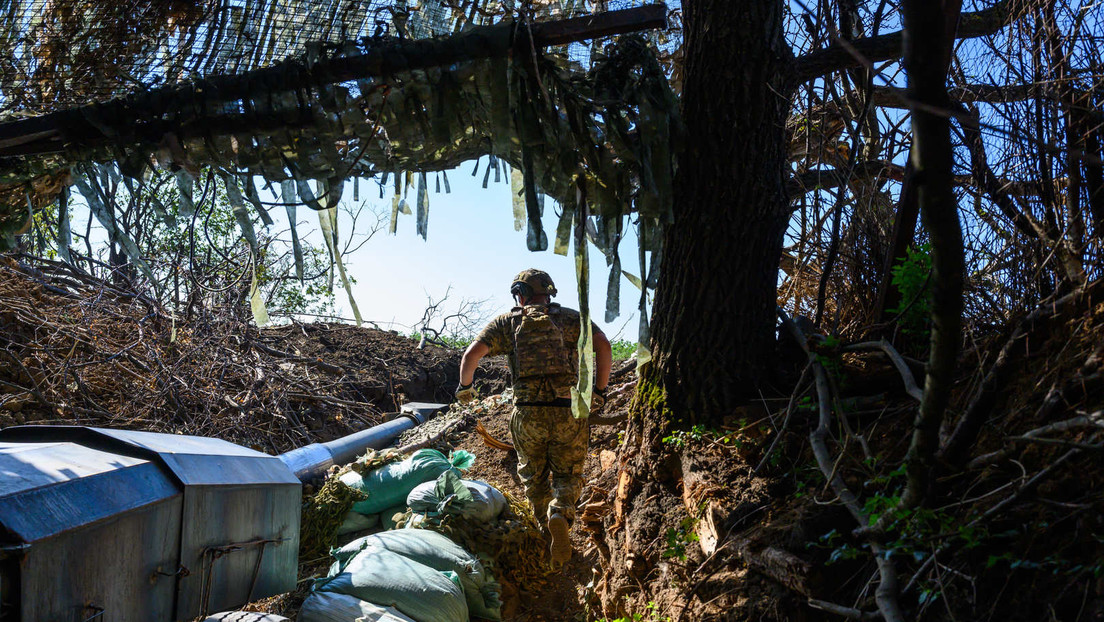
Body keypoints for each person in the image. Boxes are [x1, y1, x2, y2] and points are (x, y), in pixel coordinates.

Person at [455, 269, 612, 567]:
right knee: (567, 474)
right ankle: (560, 513)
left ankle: (544, 529)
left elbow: (470, 356)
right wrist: (600, 391)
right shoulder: (569, 318)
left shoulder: (507, 322)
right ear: (549, 293)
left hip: (527, 413)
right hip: (568, 410)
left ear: (520, 293)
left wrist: (465, 389)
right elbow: (603, 346)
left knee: (532, 474)